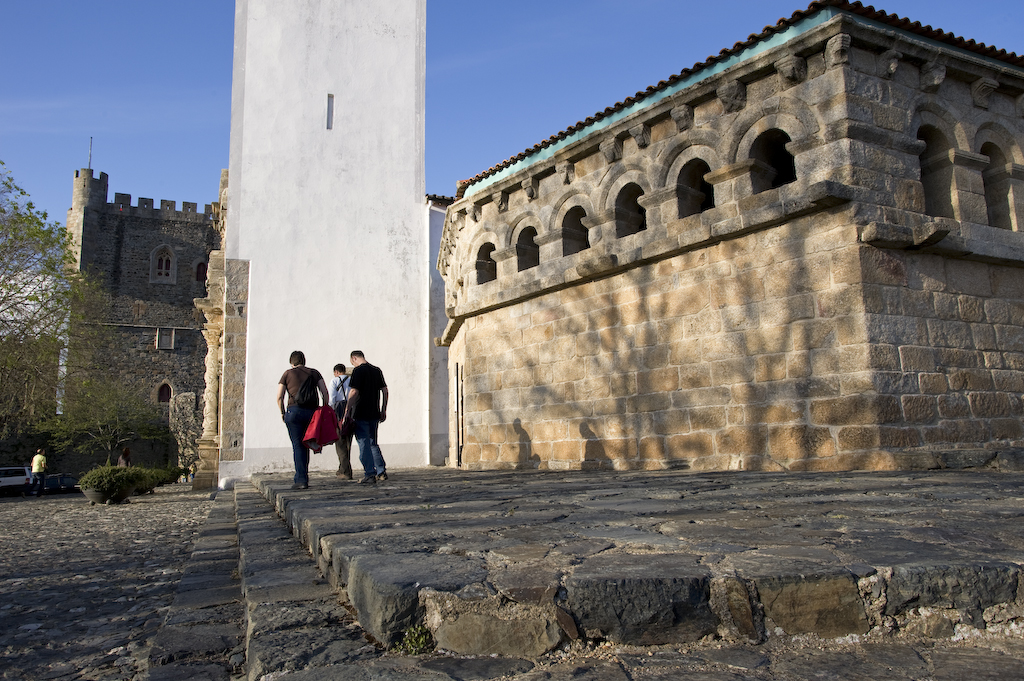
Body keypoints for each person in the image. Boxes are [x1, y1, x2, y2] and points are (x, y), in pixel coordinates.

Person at [277, 350, 329, 490]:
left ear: (291, 362)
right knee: (306, 443)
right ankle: (303, 476)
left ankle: (301, 479)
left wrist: (283, 413)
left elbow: (279, 396)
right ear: (303, 360)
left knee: (298, 445)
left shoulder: (287, 374)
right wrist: (323, 409)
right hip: (312, 413)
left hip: (293, 412)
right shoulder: (314, 373)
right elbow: (324, 392)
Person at [343, 350, 388, 484]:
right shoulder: (376, 370)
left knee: (363, 443)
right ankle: (381, 471)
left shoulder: (358, 371)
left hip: (360, 412)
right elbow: (385, 391)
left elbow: (354, 391)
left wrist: (347, 409)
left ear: (354, 358)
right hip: (374, 412)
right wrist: (383, 409)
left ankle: (369, 473)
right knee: (373, 443)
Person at [329, 363, 354, 479]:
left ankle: (345, 471)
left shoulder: (334, 381)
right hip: (351, 411)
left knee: (340, 442)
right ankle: (343, 468)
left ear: (336, 372)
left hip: (339, 412)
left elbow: (332, 399)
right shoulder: (352, 380)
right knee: (348, 441)